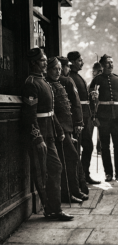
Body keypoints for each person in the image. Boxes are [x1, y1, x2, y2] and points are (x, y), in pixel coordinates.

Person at [21, 48, 73, 221]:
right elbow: (30, 115)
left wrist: (58, 130)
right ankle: (51, 210)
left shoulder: (43, 81)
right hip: (40, 136)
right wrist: (37, 138)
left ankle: (54, 208)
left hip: (49, 133)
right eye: (42, 60)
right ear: (34, 63)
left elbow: (51, 112)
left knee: (55, 168)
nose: (45, 62)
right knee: (42, 173)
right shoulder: (31, 83)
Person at [46, 57, 88, 203]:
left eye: (59, 69)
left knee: (70, 159)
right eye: (54, 69)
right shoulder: (48, 85)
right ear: (47, 70)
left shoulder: (59, 83)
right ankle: (68, 193)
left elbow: (70, 106)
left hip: (66, 129)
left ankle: (72, 191)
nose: (58, 72)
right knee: (68, 159)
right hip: (58, 130)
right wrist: (62, 130)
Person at [89, 54, 118, 182]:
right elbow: (91, 101)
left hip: (117, 118)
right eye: (108, 63)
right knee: (105, 147)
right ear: (102, 65)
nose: (111, 65)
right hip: (103, 119)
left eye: (112, 62)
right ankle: (108, 174)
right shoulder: (97, 80)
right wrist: (94, 117)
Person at [67, 51, 100, 185]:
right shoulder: (70, 78)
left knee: (88, 147)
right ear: (72, 62)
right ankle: (77, 178)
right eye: (80, 60)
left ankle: (85, 175)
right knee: (77, 148)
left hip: (86, 117)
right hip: (77, 119)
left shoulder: (78, 77)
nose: (82, 62)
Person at [57, 56, 89, 195]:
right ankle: (78, 188)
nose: (68, 69)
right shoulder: (67, 80)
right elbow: (75, 104)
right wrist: (78, 123)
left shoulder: (67, 80)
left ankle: (78, 187)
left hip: (67, 125)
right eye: (66, 67)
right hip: (69, 125)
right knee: (73, 156)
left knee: (71, 156)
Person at [88, 62, 103, 155]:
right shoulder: (90, 84)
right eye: (97, 72)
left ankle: (100, 148)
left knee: (101, 133)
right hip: (91, 111)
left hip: (101, 111)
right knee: (89, 133)